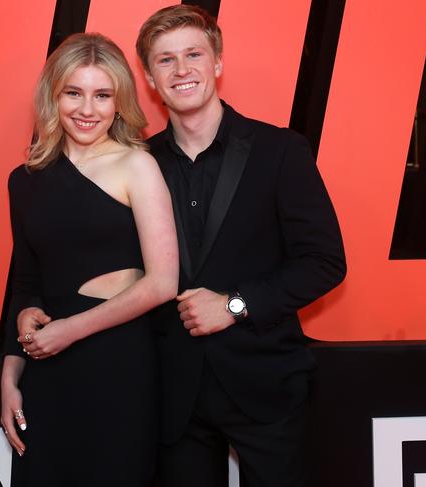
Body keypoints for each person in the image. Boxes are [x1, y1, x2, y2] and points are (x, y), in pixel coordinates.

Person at [133, 5, 347, 487]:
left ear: (218, 63)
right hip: (173, 397)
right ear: (149, 77)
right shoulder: (137, 163)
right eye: (165, 60)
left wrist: (236, 304)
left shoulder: (281, 151)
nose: (182, 69)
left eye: (194, 54)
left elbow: (324, 261)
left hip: (265, 384)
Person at [0, 32, 178, 486]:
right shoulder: (24, 181)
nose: (87, 109)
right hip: (48, 368)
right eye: (73, 93)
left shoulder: (137, 166)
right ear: (52, 96)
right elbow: (25, 281)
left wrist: (70, 330)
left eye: (102, 95)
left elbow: (162, 283)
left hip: (117, 362)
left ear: (119, 103)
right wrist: (10, 373)